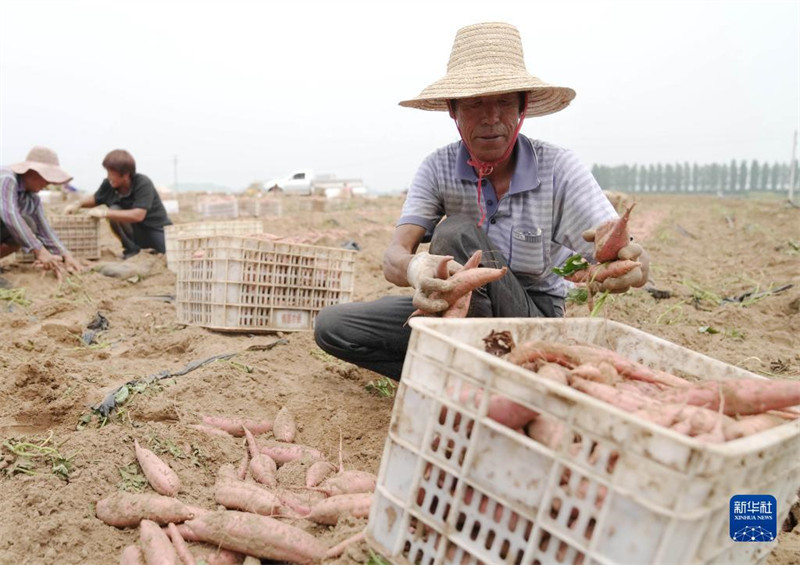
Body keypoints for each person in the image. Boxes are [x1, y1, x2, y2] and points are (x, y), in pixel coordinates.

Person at [314, 22, 649, 381]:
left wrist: (632, 264)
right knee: (334, 326)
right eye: (475, 104)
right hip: (453, 310)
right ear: (453, 111)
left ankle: (475, 375)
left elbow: (627, 258)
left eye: (504, 102)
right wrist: (418, 270)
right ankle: (474, 375)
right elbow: (393, 256)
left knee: (456, 232)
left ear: (521, 108)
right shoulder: (437, 167)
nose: (491, 118)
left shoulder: (558, 168)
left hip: (532, 317)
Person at [65, 149, 172, 259]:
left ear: (125, 174)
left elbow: (138, 215)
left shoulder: (142, 183)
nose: (109, 177)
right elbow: (96, 198)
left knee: (164, 252)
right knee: (115, 209)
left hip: (154, 230)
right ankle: (131, 251)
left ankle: (145, 251)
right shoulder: (109, 185)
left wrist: (105, 213)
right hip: (134, 233)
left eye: (112, 173)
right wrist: (78, 204)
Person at [0, 146, 84, 281]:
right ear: (33, 172)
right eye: (46, 178)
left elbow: (44, 229)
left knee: (30, 224)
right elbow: (9, 215)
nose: (48, 183)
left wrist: (65, 254)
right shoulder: (6, 177)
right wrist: (39, 250)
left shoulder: (33, 198)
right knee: (23, 223)